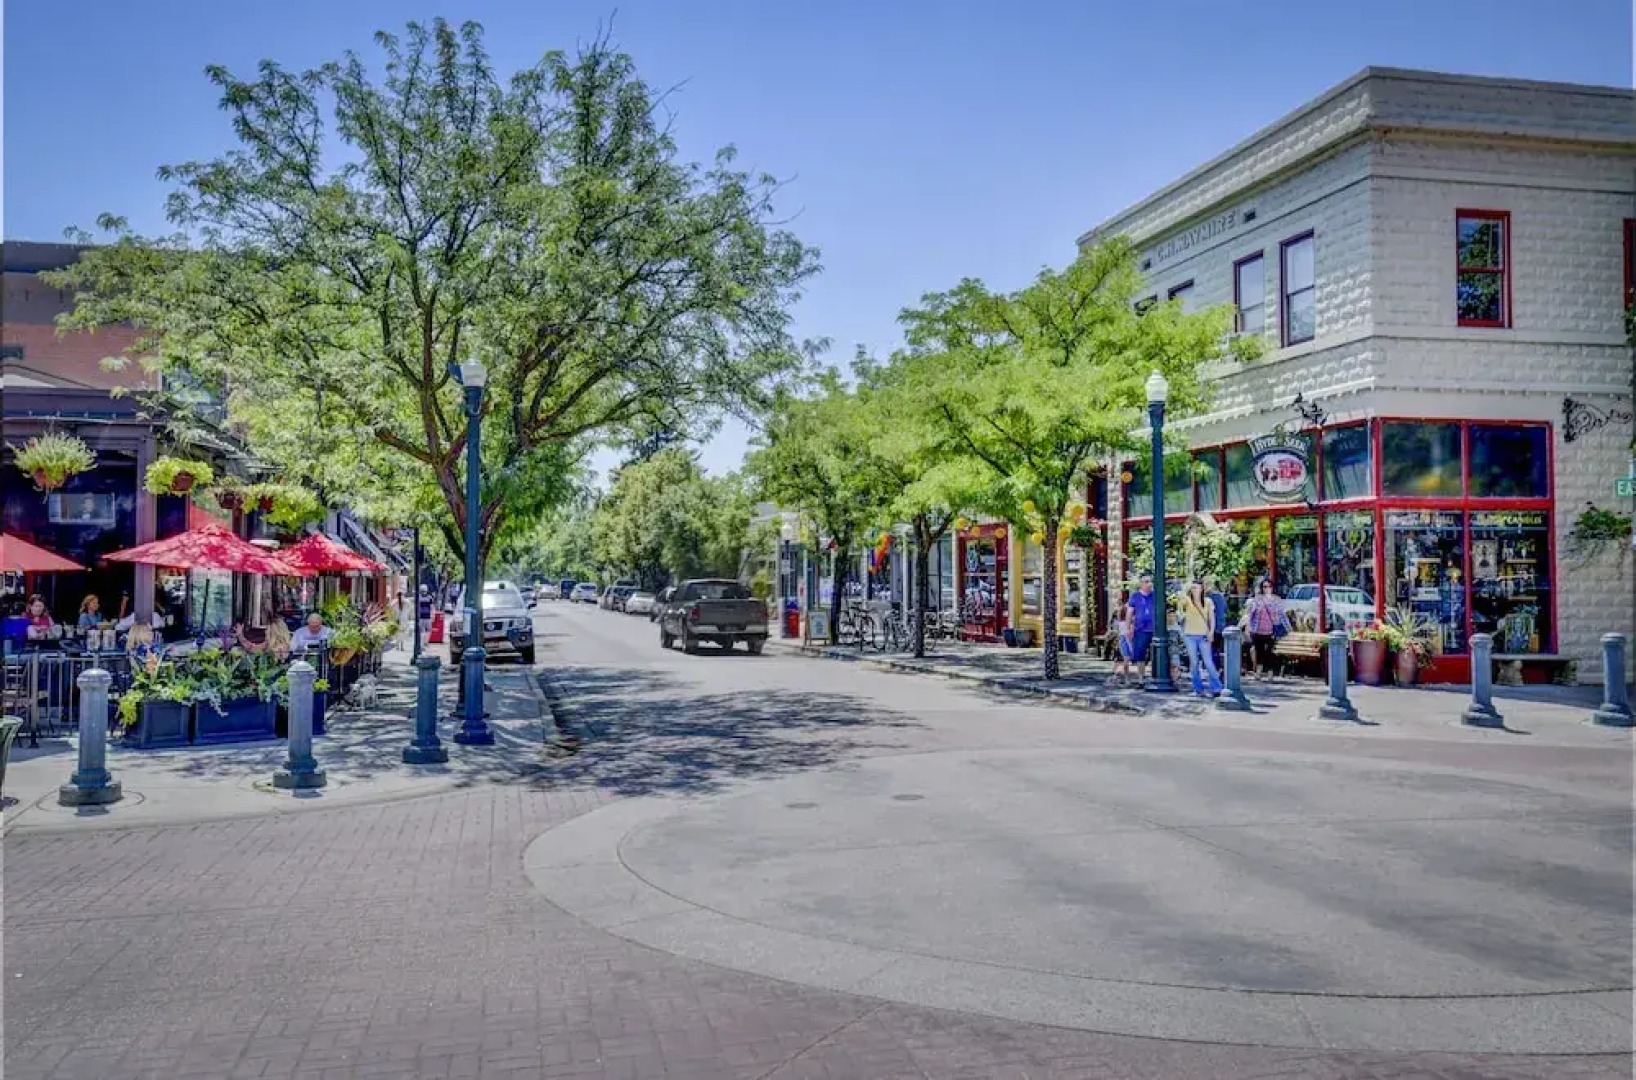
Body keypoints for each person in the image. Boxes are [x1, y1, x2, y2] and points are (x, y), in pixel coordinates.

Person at [1178, 581, 1223, 697]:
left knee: (1208, 662)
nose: (1194, 590)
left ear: (1202, 589)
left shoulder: (1208, 601)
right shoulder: (1187, 600)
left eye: (1196, 588)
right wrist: (1185, 589)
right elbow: (1180, 603)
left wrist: (1211, 632)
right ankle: (1198, 689)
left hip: (1204, 635)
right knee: (1194, 663)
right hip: (1189, 635)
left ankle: (1217, 688)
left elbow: (1212, 618)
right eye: (1192, 588)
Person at [1240, 577, 1286, 681]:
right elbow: (1251, 614)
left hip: (1271, 630)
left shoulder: (1276, 600)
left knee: (1270, 652)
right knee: (1259, 651)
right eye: (1265, 587)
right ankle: (1258, 672)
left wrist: (1287, 628)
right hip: (1258, 630)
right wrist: (1248, 627)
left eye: (1269, 586)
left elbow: (1282, 615)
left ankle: (1270, 674)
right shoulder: (1258, 600)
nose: (1267, 589)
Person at [1124, 574, 1157, 680]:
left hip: (1155, 630)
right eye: (1146, 582)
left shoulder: (1155, 595)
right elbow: (1129, 613)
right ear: (1141, 583)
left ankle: (1155, 677)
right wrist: (1127, 628)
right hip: (1140, 630)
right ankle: (1141, 678)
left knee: (1156, 654)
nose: (1149, 584)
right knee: (1140, 654)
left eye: (1150, 581)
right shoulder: (1135, 596)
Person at [1108, 590, 1139, 688]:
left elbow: (1116, 625)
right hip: (1127, 637)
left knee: (1123, 659)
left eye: (1119, 598)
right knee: (1128, 659)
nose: (1117, 600)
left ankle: (1124, 678)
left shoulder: (1121, 610)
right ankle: (1128, 679)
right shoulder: (1128, 610)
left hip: (1123, 636)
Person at [1204, 577, 1227, 669]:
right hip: (1220, 626)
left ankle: (1213, 667)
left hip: (1210, 626)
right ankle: (1217, 667)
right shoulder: (1220, 596)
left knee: (1211, 648)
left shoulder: (1208, 597)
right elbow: (1224, 610)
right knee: (1217, 648)